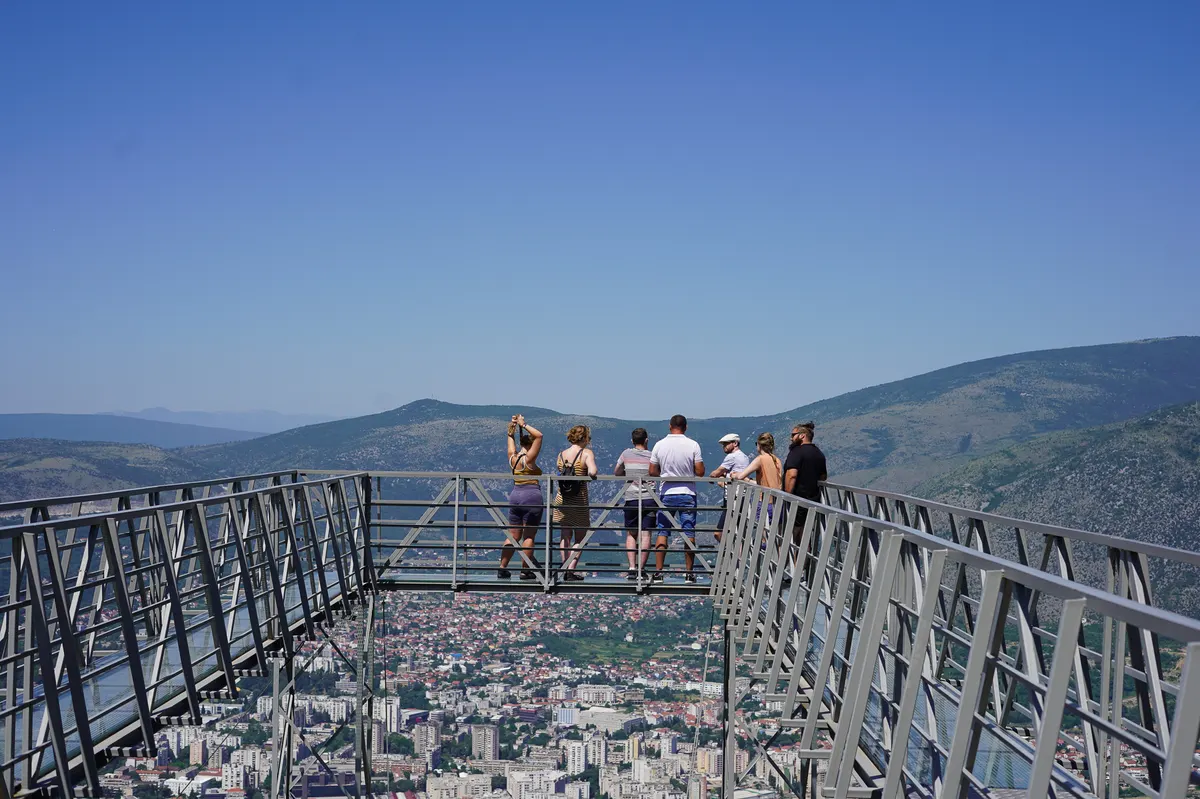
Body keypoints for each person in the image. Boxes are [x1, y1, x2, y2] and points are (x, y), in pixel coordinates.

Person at [648, 414, 704, 583]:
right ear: (685, 427)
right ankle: (689, 573)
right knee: (688, 531)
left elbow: (652, 471)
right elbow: (700, 472)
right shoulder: (693, 445)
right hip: (687, 492)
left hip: (666, 493)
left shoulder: (659, 445)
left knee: (662, 531)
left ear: (669, 426)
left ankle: (658, 572)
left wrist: (665, 475)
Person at [500, 414, 544, 580]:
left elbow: (510, 437)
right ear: (531, 445)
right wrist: (523, 425)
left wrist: (512, 428)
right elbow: (539, 435)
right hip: (531, 495)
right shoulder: (529, 459)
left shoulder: (513, 458)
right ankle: (526, 570)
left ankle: (502, 567)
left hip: (515, 495)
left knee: (513, 535)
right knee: (529, 536)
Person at [553, 425, 597, 581]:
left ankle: (564, 566)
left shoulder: (561, 455)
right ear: (584, 438)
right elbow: (592, 472)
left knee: (565, 535)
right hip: (579, 500)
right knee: (580, 538)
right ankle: (570, 570)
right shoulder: (586, 453)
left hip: (562, 499)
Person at [783, 421, 828, 561]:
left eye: (793, 435)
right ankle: (801, 570)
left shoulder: (796, 452)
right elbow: (823, 476)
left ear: (802, 436)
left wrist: (787, 495)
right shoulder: (818, 453)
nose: (791, 438)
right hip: (813, 499)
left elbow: (791, 475)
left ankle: (789, 570)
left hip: (797, 499)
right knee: (806, 537)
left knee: (792, 535)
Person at [615, 428, 655, 580]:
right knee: (646, 534)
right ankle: (641, 569)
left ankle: (632, 568)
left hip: (631, 497)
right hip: (649, 498)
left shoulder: (626, 454)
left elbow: (617, 472)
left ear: (632, 441)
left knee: (631, 533)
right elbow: (657, 472)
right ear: (646, 440)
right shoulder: (652, 456)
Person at [732, 433, 783, 547]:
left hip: (765, 501)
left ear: (759, 445)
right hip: (778, 502)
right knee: (777, 539)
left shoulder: (760, 459)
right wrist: (750, 481)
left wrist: (734, 475)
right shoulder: (777, 460)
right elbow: (772, 483)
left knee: (765, 538)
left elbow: (740, 476)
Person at [708, 433, 750, 542]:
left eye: (726, 444)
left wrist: (713, 476)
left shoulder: (732, 457)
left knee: (718, 533)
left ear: (735, 443)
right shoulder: (744, 457)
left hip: (733, 499)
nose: (724, 447)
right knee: (739, 533)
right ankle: (735, 555)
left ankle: (728, 551)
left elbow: (716, 473)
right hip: (743, 497)